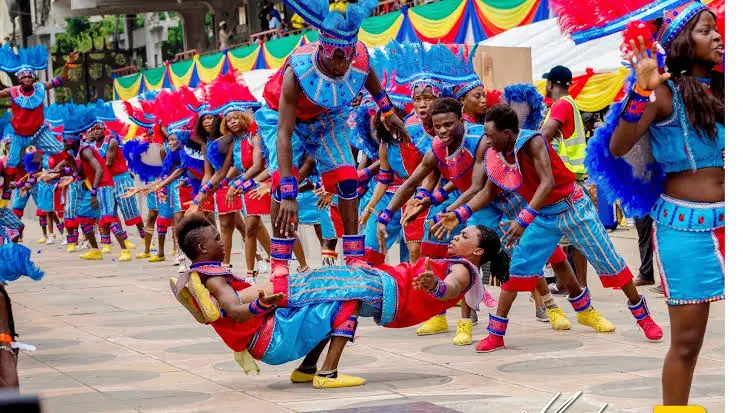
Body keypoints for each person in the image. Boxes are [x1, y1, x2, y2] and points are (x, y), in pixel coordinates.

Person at [172, 213, 500, 388]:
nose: (457, 237)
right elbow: (235, 310)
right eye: (460, 232)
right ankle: (318, 371)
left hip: (391, 293)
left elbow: (452, 290)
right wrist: (266, 301)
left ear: (478, 253)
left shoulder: (463, 269)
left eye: (465, 236)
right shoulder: (214, 275)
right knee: (334, 292)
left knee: (339, 292)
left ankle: (318, 370)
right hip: (276, 334)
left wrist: (435, 287)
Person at [442, 105, 663, 352]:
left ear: (507, 133)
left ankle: (643, 317)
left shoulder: (532, 142)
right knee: (518, 272)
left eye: (491, 135)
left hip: (573, 208)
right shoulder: (496, 154)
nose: (487, 140)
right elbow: (487, 191)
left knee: (610, 262)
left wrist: (523, 219)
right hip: (543, 216)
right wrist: (458, 213)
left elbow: (547, 183)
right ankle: (496, 334)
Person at [600, 1, 723, 405]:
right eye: (706, 30)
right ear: (683, 41)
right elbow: (618, 145)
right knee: (687, 343)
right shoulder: (662, 93)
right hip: (686, 229)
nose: (717, 35)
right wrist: (641, 90)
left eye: (716, 27)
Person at [255, 0, 407, 274]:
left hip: (325, 118)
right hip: (282, 120)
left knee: (348, 180)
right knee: (281, 185)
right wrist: (289, 192)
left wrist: (387, 111)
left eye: (348, 57)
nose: (344, 64)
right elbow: (284, 134)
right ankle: (279, 261)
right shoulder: (296, 72)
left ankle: (353, 256)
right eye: (338, 57)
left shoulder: (354, 57)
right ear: (323, 48)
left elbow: (367, 72)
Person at [0, 50, 78, 202]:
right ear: (19, 79)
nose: (28, 79)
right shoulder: (13, 91)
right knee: (12, 163)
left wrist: (68, 63)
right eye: (24, 77)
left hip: (39, 131)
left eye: (30, 76)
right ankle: (8, 189)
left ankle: (76, 173)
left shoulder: (40, 87)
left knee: (61, 152)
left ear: (33, 77)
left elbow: (60, 79)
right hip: (20, 134)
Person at [539, 65, 590, 288]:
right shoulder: (571, 104)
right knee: (572, 233)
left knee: (564, 233)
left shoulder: (561, 105)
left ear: (550, 84)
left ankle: (575, 284)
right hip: (572, 175)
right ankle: (570, 283)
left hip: (566, 177)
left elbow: (544, 136)